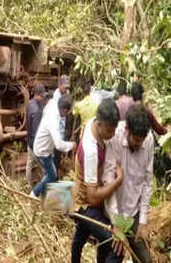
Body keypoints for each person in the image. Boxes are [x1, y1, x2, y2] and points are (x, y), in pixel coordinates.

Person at [71, 99, 123, 263]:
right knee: (114, 243)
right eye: (110, 130)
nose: (113, 134)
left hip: (85, 198)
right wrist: (117, 181)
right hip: (86, 205)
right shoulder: (91, 150)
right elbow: (93, 196)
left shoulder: (91, 123)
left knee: (81, 236)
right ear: (99, 124)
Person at [103, 104, 154, 263]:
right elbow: (108, 180)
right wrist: (116, 223)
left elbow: (147, 180)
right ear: (127, 130)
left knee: (144, 259)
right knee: (111, 256)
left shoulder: (149, 140)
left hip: (134, 212)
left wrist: (143, 221)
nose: (140, 145)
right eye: (136, 140)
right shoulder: (115, 137)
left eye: (142, 140)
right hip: (114, 212)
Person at [30, 94, 77, 198]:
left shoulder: (53, 103)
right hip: (42, 151)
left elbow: (51, 101)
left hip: (43, 145)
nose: (67, 115)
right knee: (52, 175)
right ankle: (34, 194)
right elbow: (59, 145)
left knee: (50, 174)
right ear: (64, 110)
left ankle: (45, 194)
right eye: (67, 112)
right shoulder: (53, 121)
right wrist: (72, 145)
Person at [26, 84, 47, 188]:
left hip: (29, 139)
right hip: (35, 142)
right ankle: (43, 187)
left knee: (29, 163)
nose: (43, 98)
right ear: (37, 95)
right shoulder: (36, 111)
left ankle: (28, 185)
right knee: (44, 166)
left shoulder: (29, 103)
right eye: (42, 96)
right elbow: (36, 131)